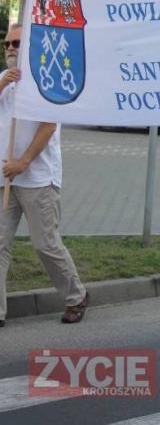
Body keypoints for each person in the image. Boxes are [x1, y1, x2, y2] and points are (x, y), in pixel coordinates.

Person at [0, 24, 88, 326]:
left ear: (29, 46)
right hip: (6, 179)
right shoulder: (4, 80)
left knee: (45, 244)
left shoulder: (45, 80)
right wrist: (2, 84)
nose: (10, 49)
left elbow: (49, 126)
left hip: (37, 178)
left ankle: (76, 296)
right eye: (7, 44)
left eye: (16, 43)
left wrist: (23, 162)